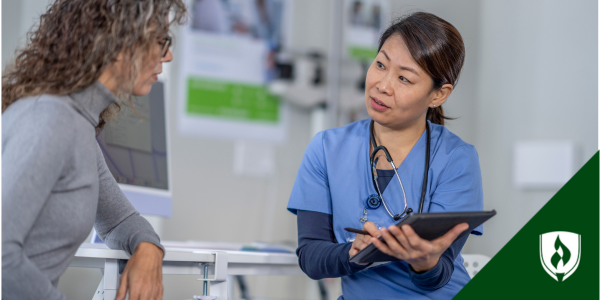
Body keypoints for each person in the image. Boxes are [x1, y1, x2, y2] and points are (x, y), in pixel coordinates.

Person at [287, 12, 483, 299]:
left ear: (438, 95)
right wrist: (354, 253)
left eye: (404, 78)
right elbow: (311, 256)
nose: (382, 85)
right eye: (380, 65)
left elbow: (438, 276)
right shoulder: (327, 149)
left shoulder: (456, 158)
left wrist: (424, 262)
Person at [1, 1, 186, 299]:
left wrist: (149, 248)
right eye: (161, 40)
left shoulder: (79, 126)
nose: (168, 54)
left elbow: (119, 221)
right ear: (119, 41)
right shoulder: (51, 119)